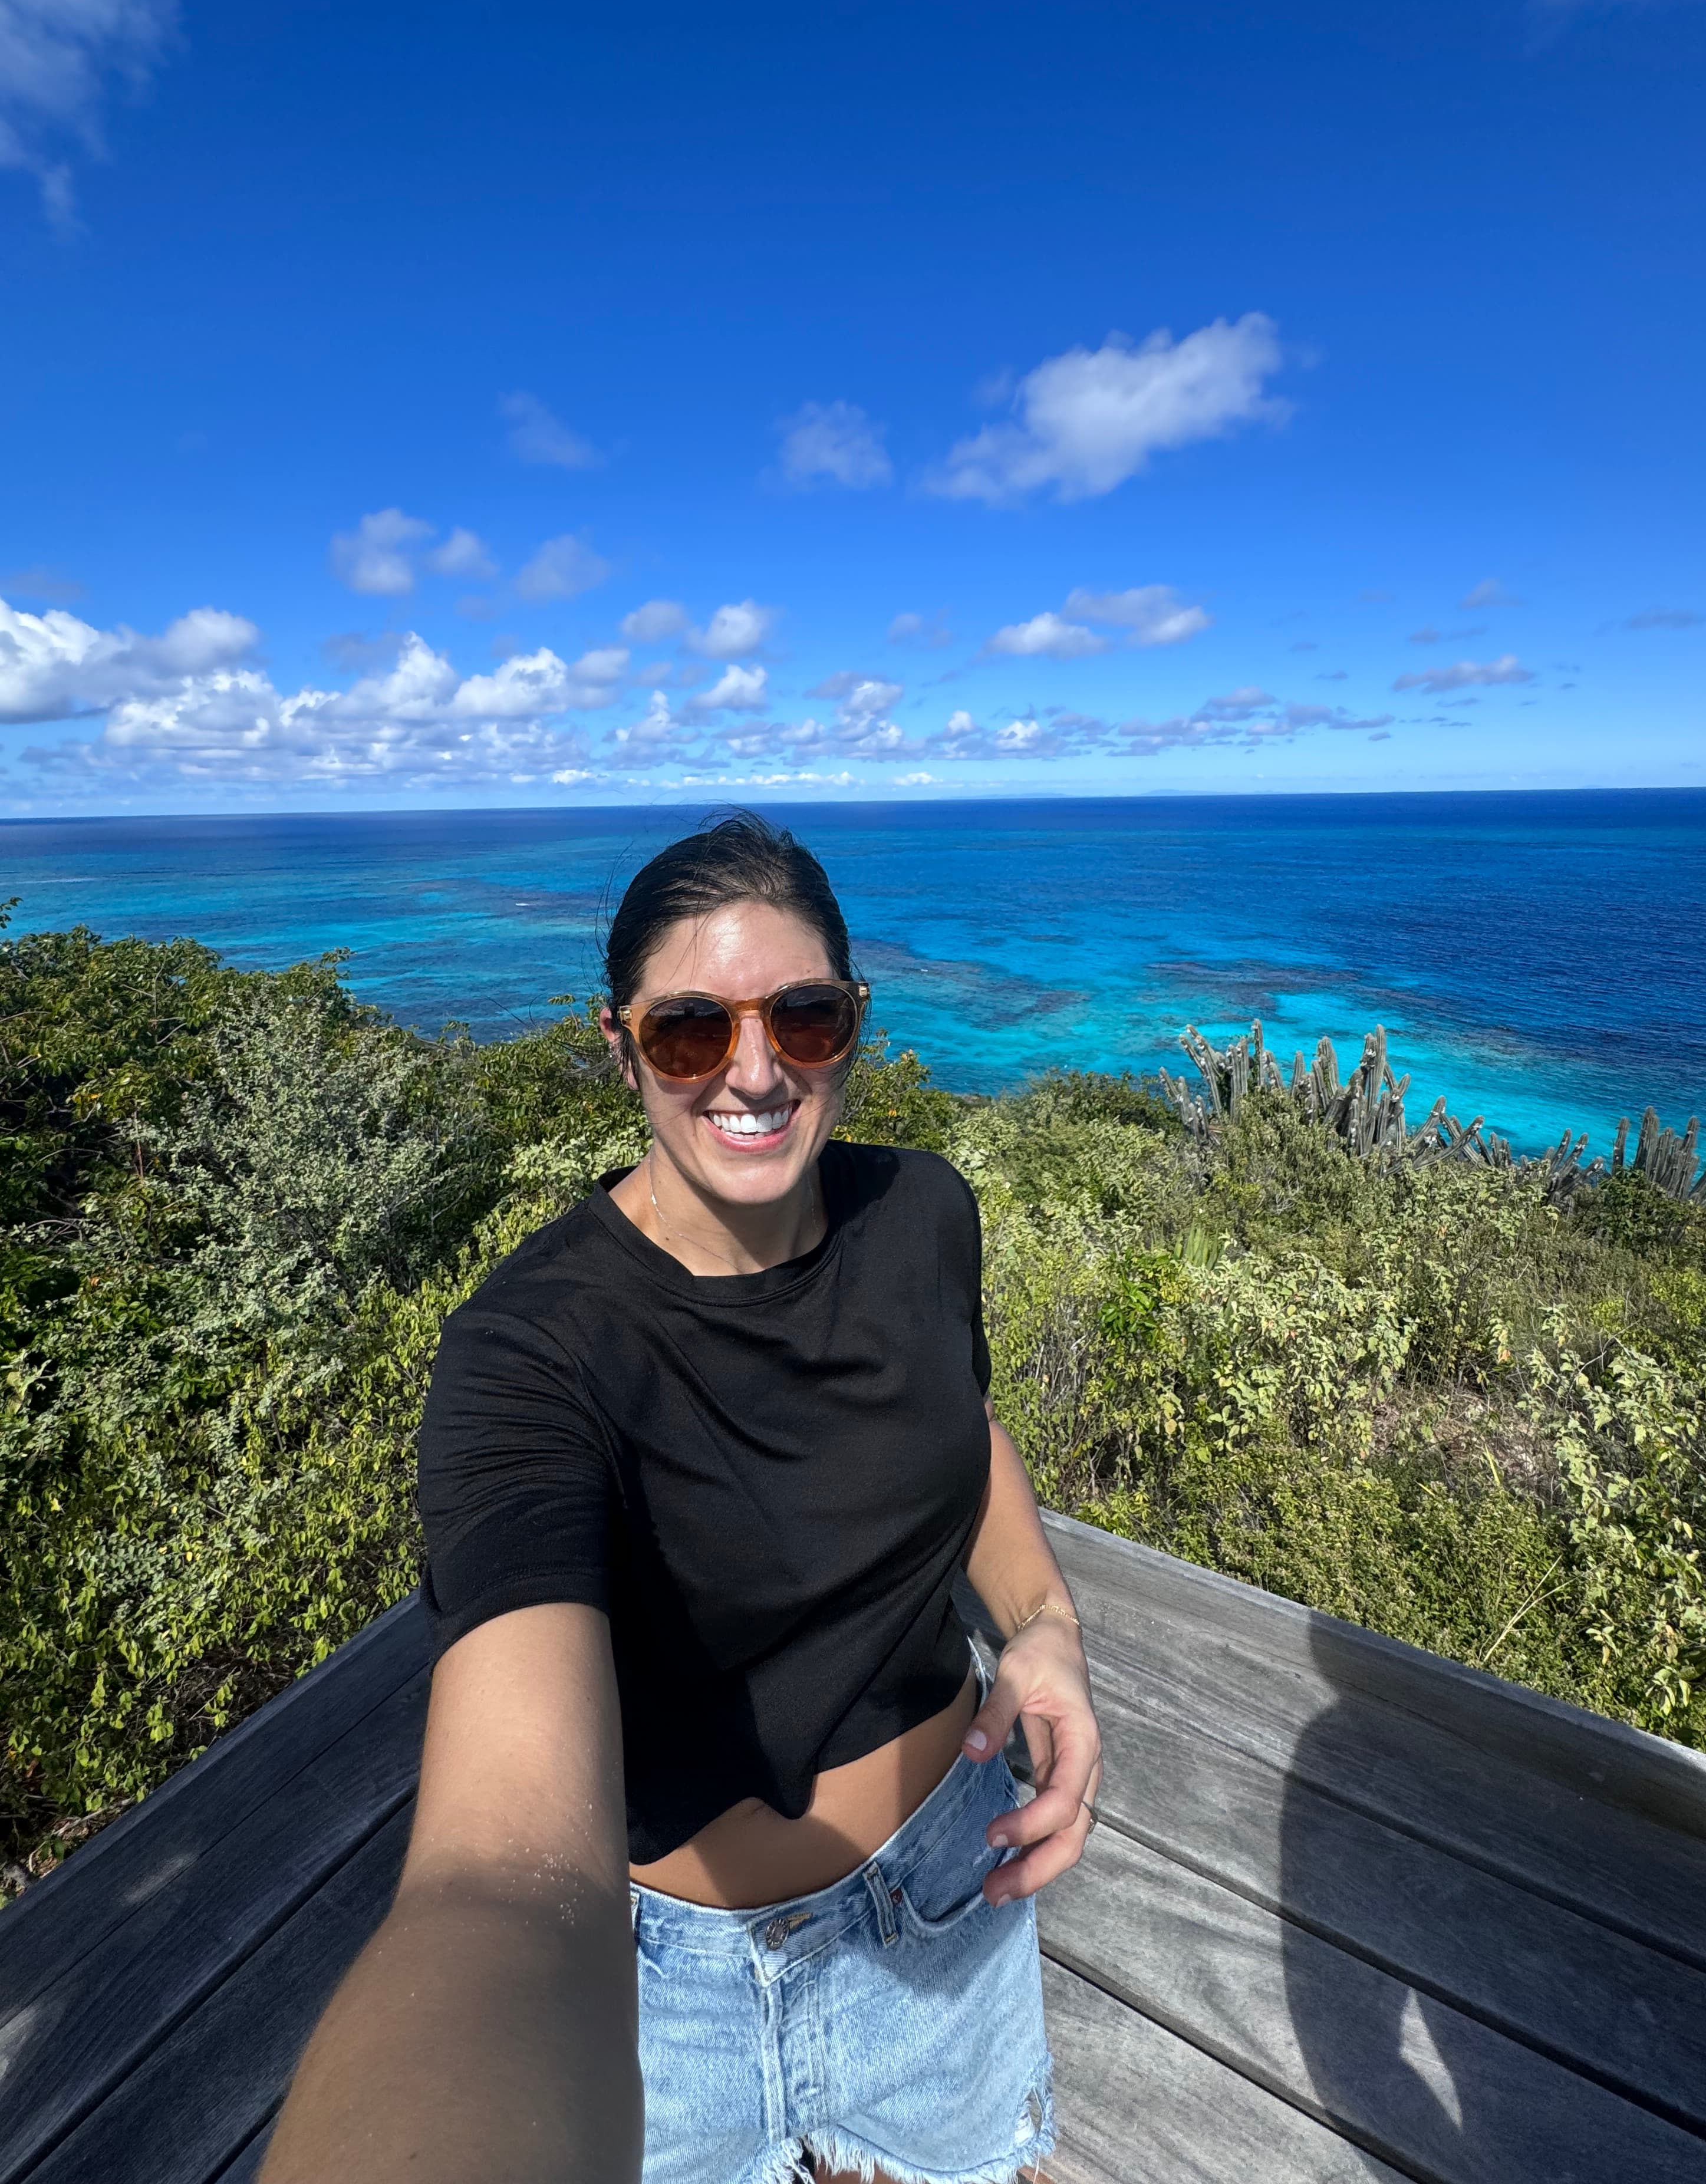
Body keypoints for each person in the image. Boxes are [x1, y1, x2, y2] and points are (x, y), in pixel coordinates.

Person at [263, 813, 1101, 2184]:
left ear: (856, 1023)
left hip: (951, 1886)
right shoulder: (530, 1352)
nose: (756, 1072)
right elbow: (499, 1876)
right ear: (620, 1045)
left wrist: (1043, 1620)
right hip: (664, 2005)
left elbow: (965, 1418)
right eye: (691, 1032)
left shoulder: (927, 1214)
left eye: (806, 1018)